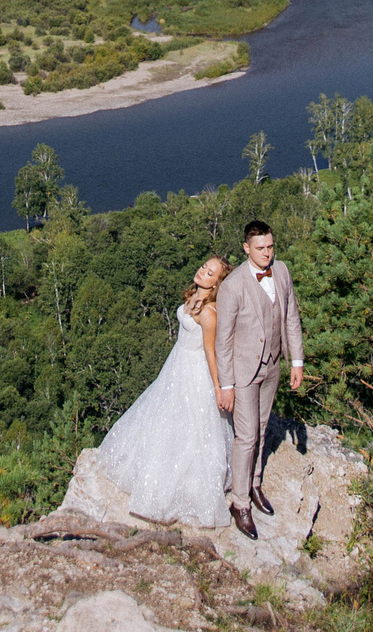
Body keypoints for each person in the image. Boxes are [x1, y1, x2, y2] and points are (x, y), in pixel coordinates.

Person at [89, 254, 237, 526]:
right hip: (177, 364)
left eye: (210, 272)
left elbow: (210, 351)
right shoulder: (194, 297)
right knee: (165, 420)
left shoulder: (208, 311)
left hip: (194, 371)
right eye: (204, 266)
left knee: (193, 428)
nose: (202, 271)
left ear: (217, 283)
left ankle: (182, 486)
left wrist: (219, 387)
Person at [214, 219, 303, 539]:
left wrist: (296, 361)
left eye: (271, 247)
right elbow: (222, 340)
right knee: (247, 436)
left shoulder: (282, 272)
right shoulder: (233, 285)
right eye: (261, 248)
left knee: (263, 428)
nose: (267, 253)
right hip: (243, 373)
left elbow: (291, 315)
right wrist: (226, 385)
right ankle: (239, 504)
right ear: (246, 248)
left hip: (273, 367)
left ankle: (254, 484)